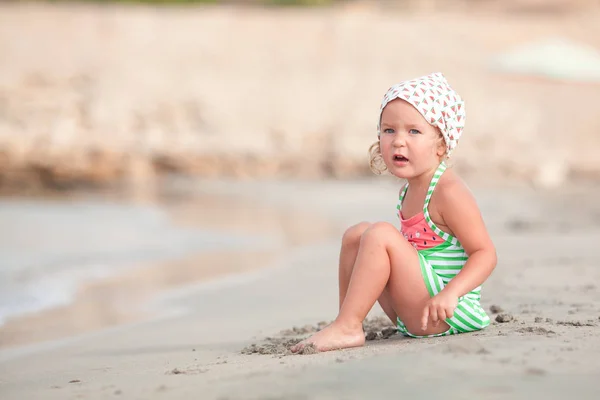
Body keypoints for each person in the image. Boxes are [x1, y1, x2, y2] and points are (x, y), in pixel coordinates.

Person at [291, 72, 497, 353]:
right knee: (356, 235)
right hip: (415, 308)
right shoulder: (408, 189)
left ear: (441, 142)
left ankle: (347, 326)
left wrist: (451, 295)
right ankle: (347, 321)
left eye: (414, 131)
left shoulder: (448, 191)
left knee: (380, 234)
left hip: (446, 313)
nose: (399, 141)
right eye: (389, 130)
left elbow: (485, 254)